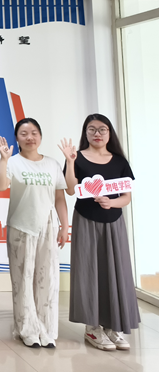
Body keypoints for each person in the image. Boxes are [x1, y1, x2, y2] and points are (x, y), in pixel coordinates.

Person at [59, 114, 140, 351]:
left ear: (109, 133)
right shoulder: (77, 157)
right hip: (86, 220)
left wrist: (111, 203)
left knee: (115, 272)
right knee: (89, 272)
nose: (97, 133)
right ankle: (92, 328)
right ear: (85, 132)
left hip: (114, 222)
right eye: (92, 129)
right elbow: (70, 189)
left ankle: (113, 327)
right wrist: (70, 162)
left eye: (102, 129)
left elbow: (126, 197)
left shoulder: (119, 161)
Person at [0, 118, 69, 348]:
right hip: (21, 225)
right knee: (22, 281)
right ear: (17, 138)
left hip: (48, 226)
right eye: (24, 133)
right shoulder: (13, 162)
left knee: (47, 280)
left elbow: (59, 198)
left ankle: (47, 330)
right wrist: (3, 160)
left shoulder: (52, 164)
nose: (30, 137)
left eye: (34, 132)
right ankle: (27, 329)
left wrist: (65, 226)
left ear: (40, 136)